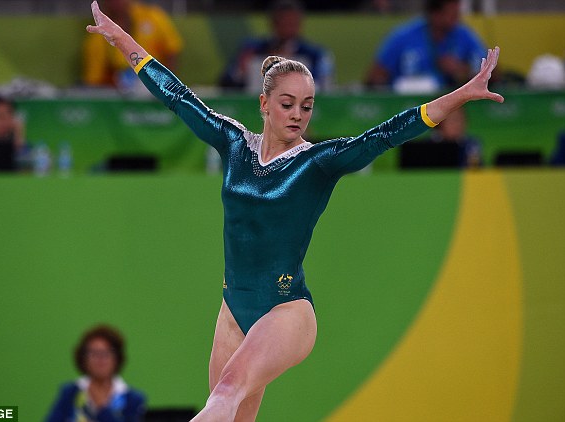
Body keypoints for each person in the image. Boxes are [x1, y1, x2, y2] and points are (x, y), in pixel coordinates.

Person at [87, 1, 503, 419]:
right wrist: (121, 38)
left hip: (287, 311)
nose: (298, 115)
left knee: (226, 392)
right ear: (264, 103)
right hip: (233, 310)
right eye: (287, 104)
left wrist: (461, 95)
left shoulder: (318, 162)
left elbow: (385, 135)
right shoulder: (234, 144)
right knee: (229, 409)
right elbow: (177, 97)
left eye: (307, 106)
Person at [365, 0, 488, 91]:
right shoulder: (403, 37)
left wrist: (462, 70)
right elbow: (374, 76)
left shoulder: (463, 34)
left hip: (451, 104)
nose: (457, 19)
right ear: (435, 14)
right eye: (452, 15)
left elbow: (492, 73)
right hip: (408, 104)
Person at [219, 0, 333, 92]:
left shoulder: (314, 54)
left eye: (291, 23)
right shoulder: (252, 49)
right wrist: (240, 71)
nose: (287, 28)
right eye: (282, 23)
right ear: (273, 23)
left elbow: (323, 86)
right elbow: (224, 83)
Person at [46, 324, 146, 422]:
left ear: (117, 358)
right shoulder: (70, 393)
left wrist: (102, 408)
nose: (100, 359)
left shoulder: (132, 399)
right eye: (93, 353)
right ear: (83, 358)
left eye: (106, 353)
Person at [82, 0, 183, 90]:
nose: (116, 2)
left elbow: (171, 50)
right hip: (122, 98)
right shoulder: (96, 41)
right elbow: (95, 83)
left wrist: (166, 85)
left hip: (158, 89)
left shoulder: (152, 17)